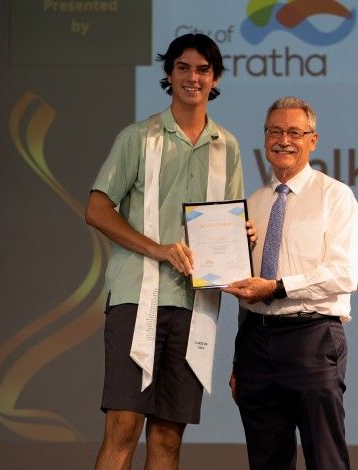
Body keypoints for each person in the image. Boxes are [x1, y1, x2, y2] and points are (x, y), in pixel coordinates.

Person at [85, 33, 246, 470]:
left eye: (203, 70)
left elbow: (225, 225)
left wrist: (239, 238)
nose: (193, 77)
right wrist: (157, 249)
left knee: (169, 439)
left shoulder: (227, 147)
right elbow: (97, 208)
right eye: (183, 67)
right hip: (138, 298)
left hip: (195, 306)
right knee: (123, 427)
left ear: (215, 78)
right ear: (169, 73)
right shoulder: (139, 137)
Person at [223, 96, 358, 470]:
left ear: (312, 140)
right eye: (274, 131)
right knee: (266, 461)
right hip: (255, 341)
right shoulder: (250, 205)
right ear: (265, 137)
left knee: (326, 459)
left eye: (294, 132)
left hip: (312, 340)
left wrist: (277, 287)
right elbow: (244, 288)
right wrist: (239, 358)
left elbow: (343, 274)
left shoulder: (335, 197)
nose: (283, 140)